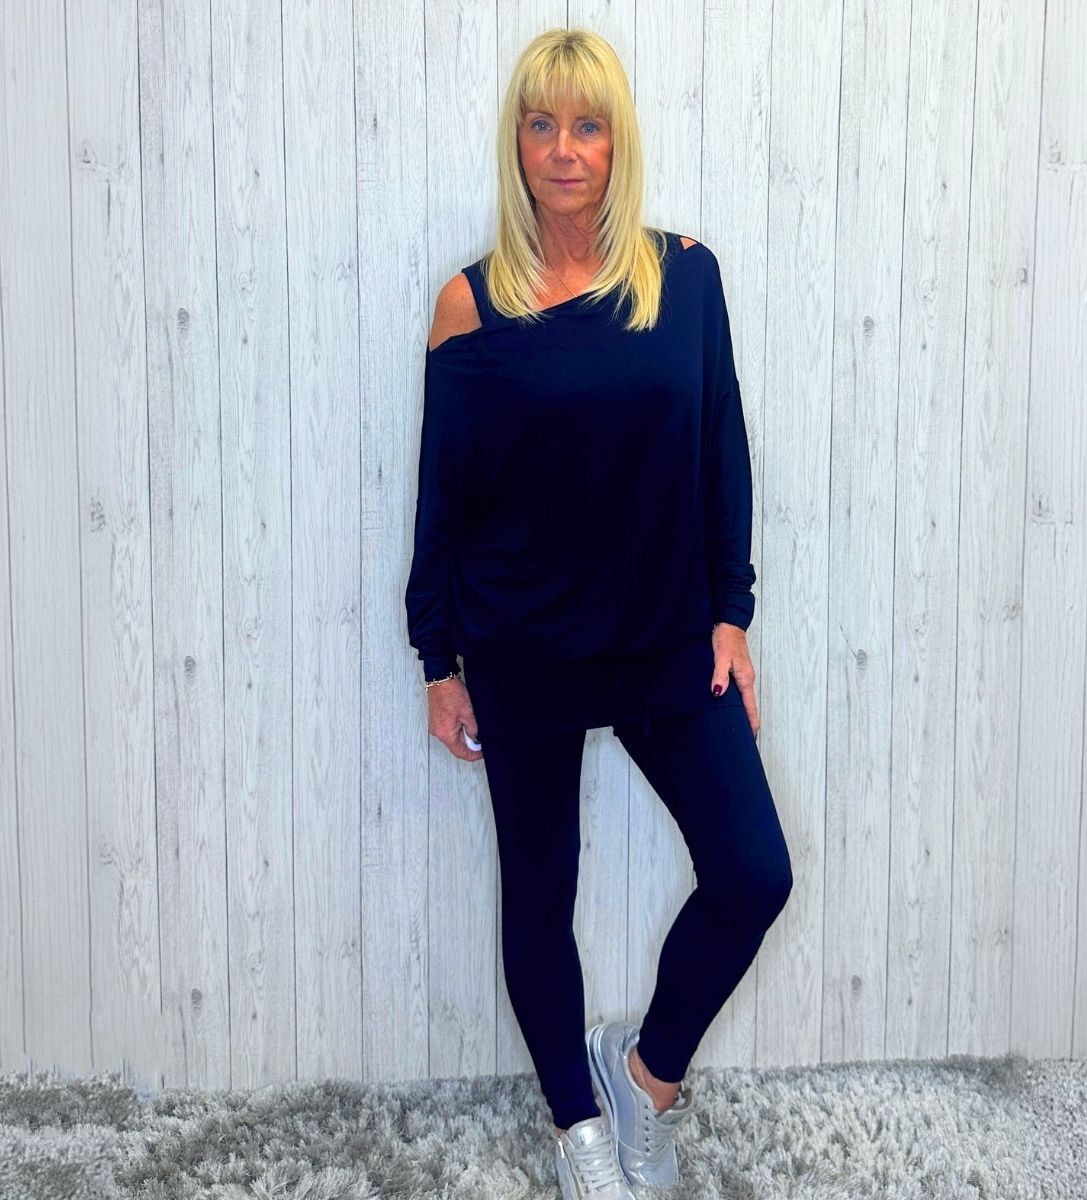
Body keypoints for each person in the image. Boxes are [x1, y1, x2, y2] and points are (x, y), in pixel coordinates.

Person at [404, 27, 793, 1200]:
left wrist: (731, 614)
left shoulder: (686, 277)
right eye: (542, 125)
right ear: (517, 143)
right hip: (523, 647)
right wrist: (438, 658)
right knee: (540, 898)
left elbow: (722, 447)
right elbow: (444, 496)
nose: (564, 150)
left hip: (666, 634)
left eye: (587, 126)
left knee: (753, 873)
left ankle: (643, 1081)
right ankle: (577, 1128)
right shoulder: (471, 305)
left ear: (618, 142)